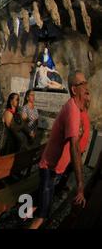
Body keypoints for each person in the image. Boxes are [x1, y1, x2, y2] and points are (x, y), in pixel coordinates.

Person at [29, 70, 91, 229]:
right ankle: (31, 213)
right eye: (82, 84)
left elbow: (76, 146)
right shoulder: (72, 111)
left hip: (57, 167)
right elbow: (74, 147)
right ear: (73, 89)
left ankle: (29, 209)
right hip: (49, 166)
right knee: (42, 216)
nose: (86, 86)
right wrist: (80, 184)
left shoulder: (78, 109)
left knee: (42, 199)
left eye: (86, 82)